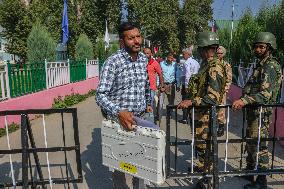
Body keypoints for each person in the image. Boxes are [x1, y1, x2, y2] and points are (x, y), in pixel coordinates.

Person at [96, 22, 152, 189]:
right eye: (131, 38)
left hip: (140, 121)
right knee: (120, 166)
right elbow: (100, 95)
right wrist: (119, 111)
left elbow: (146, 85)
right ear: (122, 41)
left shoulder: (143, 59)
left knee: (141, 165)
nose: (136, 41)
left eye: (138, 36)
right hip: (118, 123)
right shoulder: (113, 62)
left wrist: (148, 102)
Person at [232, 32, 282, 189]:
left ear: (269, 48)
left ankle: (262, 182)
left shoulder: (271, 66)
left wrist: (244, 100)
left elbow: (266, 95)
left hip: (261, 113)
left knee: (260, 146)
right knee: (251, 143)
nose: (258, 49)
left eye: (262, 46)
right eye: (256, 46)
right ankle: (249, 172)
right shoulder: (260, 65)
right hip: (253, 112)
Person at [177, 31, 226, 188]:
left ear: (205, 49)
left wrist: (191, 101)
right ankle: (205, 177)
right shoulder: (206, 65)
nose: (198, 51)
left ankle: (208, 181)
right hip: (201, 115)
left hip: (207, 117)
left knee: (206, 149)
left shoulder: (214, 67)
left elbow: (213, 97)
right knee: (202, 148)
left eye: (200, 48)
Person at [178, 47, 200, 124]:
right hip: (195, 85)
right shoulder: (196, 62)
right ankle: (192, 117)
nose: (183, 55)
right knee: (192, 100)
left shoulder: (187, 63)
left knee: (185, 101)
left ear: (188, 54)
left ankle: (184, 118)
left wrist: (186, 86)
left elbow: (187, 75)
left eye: (184, 54)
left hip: (188, 85)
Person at [143, 47, 165, 123]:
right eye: (144, 53)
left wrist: (162, 86)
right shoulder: (141, 63)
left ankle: (151, 123)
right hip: (141, 88)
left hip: (151, 89)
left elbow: (160, 74)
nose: (146, 55)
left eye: (147, 53)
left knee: (150, 106)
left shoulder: (155, 63)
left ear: (151, 54)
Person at [216, 46, 232, 136]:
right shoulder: (212, 63)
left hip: (221, 91)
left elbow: (229, 79)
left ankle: (221, 127)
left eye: (220, 53)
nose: (218, 55)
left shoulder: (226, 65)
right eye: (217, 53)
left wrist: (224, 90)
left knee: (221, 110)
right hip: (212, 91)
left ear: (224, 54)